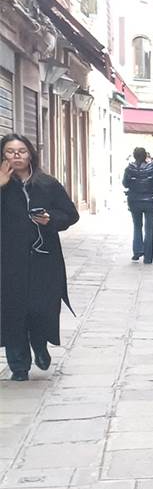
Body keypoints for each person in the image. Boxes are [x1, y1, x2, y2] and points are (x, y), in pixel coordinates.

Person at [0, 134, 78, 381]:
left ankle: (40, 344)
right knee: (13, 310)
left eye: (21, 151)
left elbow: (71, 214)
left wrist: (50, 219)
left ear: (30, 154)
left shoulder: (47, 183)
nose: (16, 156)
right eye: (10, 151)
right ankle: (18, 366)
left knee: (41, 308)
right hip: (9, 261)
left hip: (44, 259)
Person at [123, 147, 153, 264]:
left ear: (134, 156)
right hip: (151, 202)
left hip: (135, 201)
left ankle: (137, 251)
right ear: (145, 156)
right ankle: (148, 257)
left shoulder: (129, 169)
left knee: (137, 226)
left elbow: (125, 184)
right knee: (149, 229)